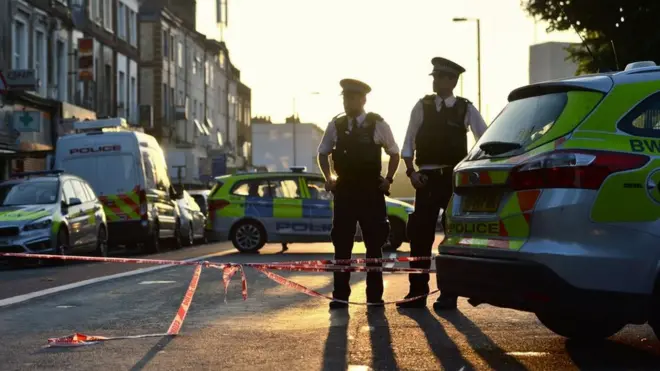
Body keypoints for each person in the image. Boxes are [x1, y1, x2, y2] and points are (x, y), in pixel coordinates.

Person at [397, 57, 488, 310]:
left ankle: (449, 295)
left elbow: (484, 139)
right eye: (434, 76)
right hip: (425, 179)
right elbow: (408, 142)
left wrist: (472, 170)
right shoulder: (423, 105)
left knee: (453, 239)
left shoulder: (465, 108)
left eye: (439, 77)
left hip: (452, 180)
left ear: (451, 80)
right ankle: (417, 293)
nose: (435, 80)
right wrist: (410, 172)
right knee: (420, 237)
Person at [317, 78, 401, 310]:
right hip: (345, 191)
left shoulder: (377, 124)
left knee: (374, 245)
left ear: (363, 100)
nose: (347, 102)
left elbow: (394, 153)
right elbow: (323, 153)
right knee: (342, 245)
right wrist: (329, 178)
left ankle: (374, 297)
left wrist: (388, 180)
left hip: (370, 191)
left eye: (352, 98)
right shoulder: (336, 125)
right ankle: (340, 296)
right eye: (345, 97)